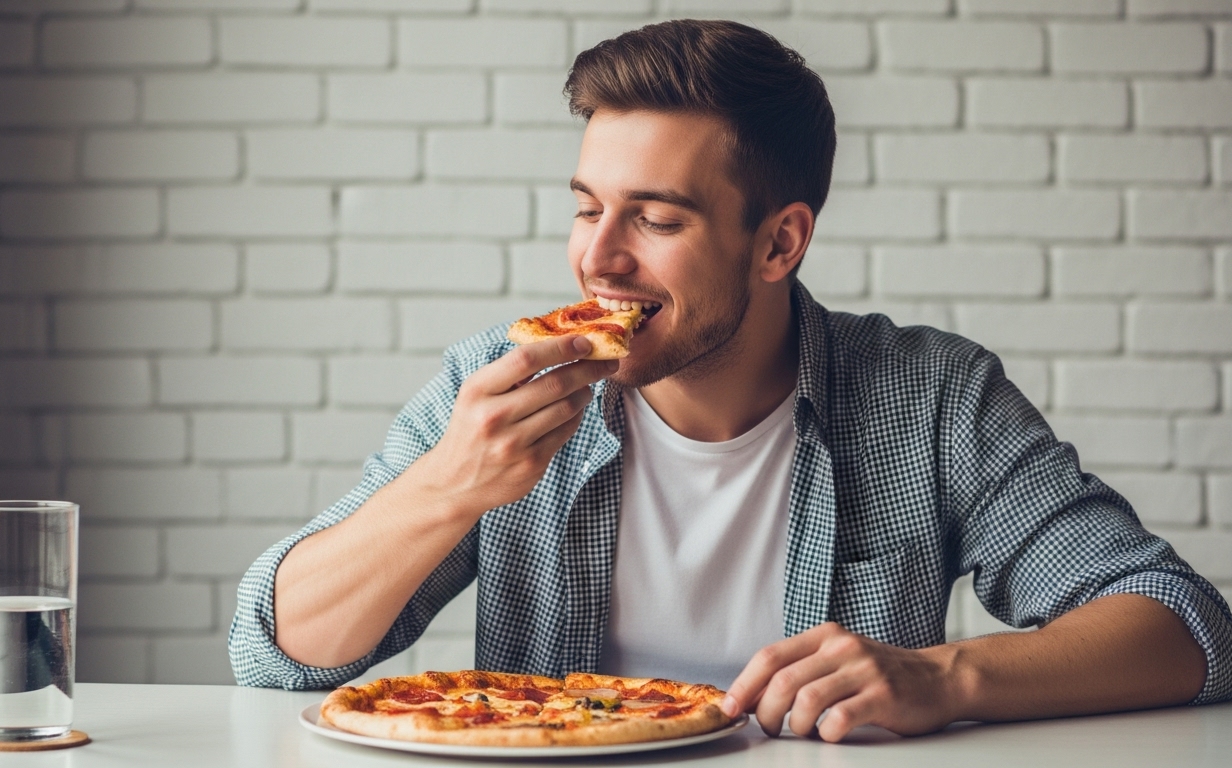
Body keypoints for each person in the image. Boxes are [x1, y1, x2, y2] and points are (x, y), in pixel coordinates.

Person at [230, 20, 1231, 741]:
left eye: (655, 220)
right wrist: (447, 487)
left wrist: (942, 677)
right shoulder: (493, 384)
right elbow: (274, 652)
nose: (600, 262)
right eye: (587, 210)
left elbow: (1181, 625)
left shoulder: (930, 397)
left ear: (778, 241)